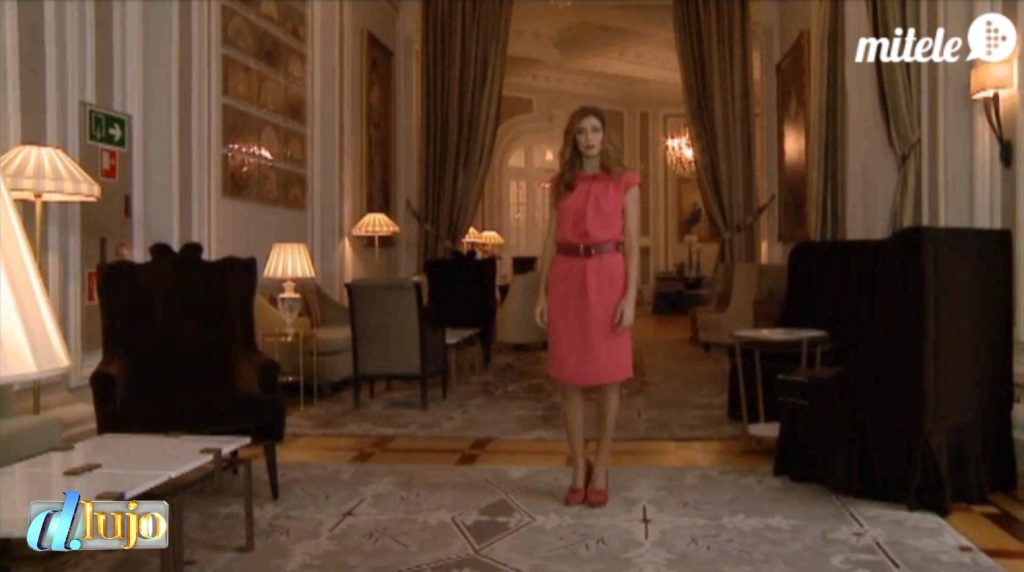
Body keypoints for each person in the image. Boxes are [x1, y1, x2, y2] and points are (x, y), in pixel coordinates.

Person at [534, 106, 640, 508]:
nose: (589, 138)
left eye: (595, 130)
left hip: (609, 277)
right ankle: (579, 465)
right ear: (573, 139)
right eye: (581, 131)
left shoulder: (626, 181)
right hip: (566, 278)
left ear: (604, 135)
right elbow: (549, 239)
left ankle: (603, 466)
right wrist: (541, 293)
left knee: (610, 378)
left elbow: (632, 245)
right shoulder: (561, 183)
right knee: (569, 378)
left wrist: (630, 298)